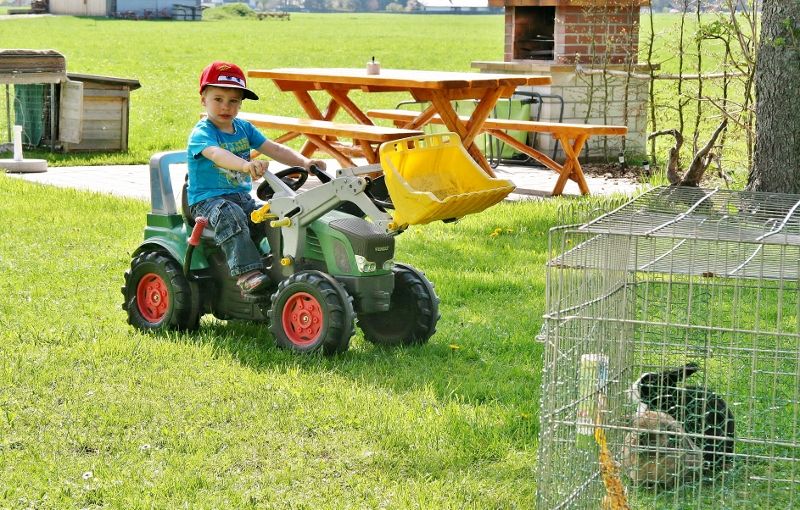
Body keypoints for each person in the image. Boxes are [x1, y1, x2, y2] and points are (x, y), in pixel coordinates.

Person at [187, 61, 325, 296]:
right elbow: (216, 154)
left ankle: (284, 263)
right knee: (230, 214)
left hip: (241, 198)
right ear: (203, 100)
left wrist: (304, 163)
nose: (225, 106)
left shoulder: (243, 128)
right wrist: (245, 165)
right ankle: (246, 273)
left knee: (277, 214)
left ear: (241, 103)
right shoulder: (203, 133)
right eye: (218, 99)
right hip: (207, 201)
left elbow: (274, 148)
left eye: (233, 101)